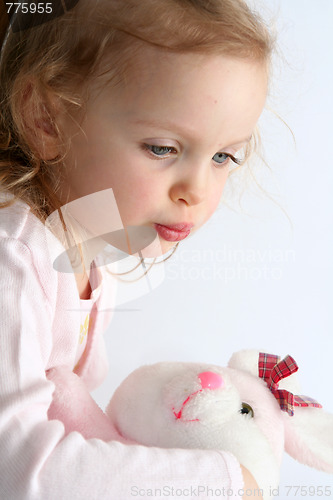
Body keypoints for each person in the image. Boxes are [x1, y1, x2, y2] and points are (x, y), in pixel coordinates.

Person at [0, 0, 272, 498]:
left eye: (223, 156)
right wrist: (218, 483)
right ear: (46, 117)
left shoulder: (87, 247)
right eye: (163, 148)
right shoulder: (13, 261)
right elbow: (17, 465)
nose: (197, 189)